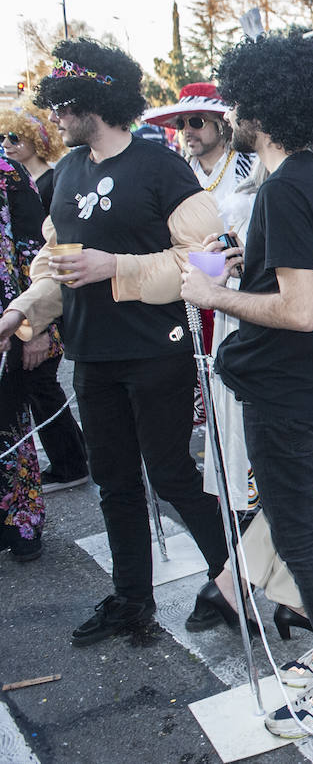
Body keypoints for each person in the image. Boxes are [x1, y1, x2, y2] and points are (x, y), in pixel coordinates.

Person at [1, 39, 233, 646]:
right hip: (92, 356)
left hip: (157, 350)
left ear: (95, 101)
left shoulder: (163, 168)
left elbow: (210, 267)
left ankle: (241, 586)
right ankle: (132, 601)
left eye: (63, 103)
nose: (53, 116)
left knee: (173, 474)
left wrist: (118, 268)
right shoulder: (69, 173)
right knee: (114, 481)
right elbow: (55, 268)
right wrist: (17, 315)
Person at [181, 30, 313, 737]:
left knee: (300, 536)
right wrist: (242, 267)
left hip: (288, 391)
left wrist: (216, 298)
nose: (230, 110)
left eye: (237, 99)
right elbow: (306, 277)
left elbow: (300, 309)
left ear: (263, 104)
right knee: (304, 532)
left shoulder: (287, 187)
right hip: (310, 384)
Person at [0, 101, 88, 491]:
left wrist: (36, 327)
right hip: (30, 309)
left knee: (40, 390)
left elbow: (41, 256)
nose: (8, 143)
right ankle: (73, 458)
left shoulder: (48, 180)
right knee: (39, 392)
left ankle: (71, 463)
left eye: (15, 136)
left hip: (44, 308)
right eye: (3, 137)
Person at [0, 151, 48, 560]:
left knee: (9, 425)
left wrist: (36, 329)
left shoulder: (7, 173)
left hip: (9, 325)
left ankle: (21, 524)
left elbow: (36, 256)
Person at [141, 83, 257, 235]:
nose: (187, 131)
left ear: (221, 124)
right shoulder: (176, 172)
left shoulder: (251, 165)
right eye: (181, 124)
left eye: (196, 122)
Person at [1, 99, 67, 210]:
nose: (5, 144)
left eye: (14, 137)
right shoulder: (12, 179)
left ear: (37, 140)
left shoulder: (53, 183)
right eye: (2, 137)